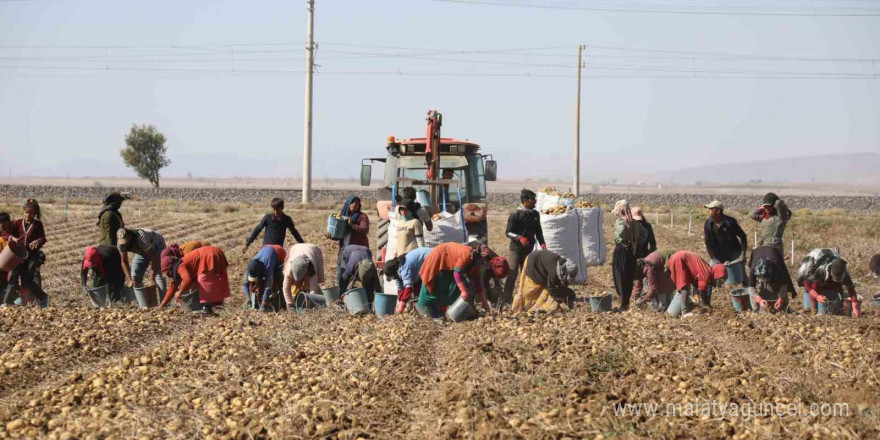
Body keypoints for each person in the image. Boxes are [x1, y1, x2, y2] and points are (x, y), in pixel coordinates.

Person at [418, 242, 492, 317]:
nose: (483, 263)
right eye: (484, 260)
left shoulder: (477, 262)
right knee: (437, 288)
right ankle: (428, 311)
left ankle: (442, 313)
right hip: (441, 257)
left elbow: (477, 281)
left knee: (451, 289)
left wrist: (484, 302)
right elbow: (457, 272)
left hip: (450, 265)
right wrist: (463, 291)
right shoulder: (467, 254)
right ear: (479, 255)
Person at [502, 189, 546, 307]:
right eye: (533, 199)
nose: (535, 201)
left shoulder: (535, 214)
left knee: (527, 274)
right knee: (513, 272)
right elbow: (508, 232)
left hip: (528, 249)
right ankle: (506, 299)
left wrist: (542, 243)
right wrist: (520, 238)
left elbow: (538, 231)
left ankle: (527, 298)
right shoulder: (515, 215)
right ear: (525, 201)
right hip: (516, 249)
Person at [2, 199, 49, 307]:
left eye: (31, 213)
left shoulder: (37, 224)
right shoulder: (17, 223)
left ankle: (43, 297)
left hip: (32, 256)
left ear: (35, 213)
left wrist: (38, 241)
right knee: (13, 277)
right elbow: (4, 233)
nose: (28, 215)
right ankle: (6, 302)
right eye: (26, 212)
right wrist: (11, 237)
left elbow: (43, 238)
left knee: (27, 279)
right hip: (18, 256)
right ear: (23, 212)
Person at [158, 245, 231, 314]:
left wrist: (180, 293)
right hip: (213, 252)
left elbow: (187, 280)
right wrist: (162, 305)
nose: (168, 275)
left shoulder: (180, 266)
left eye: (167, 273)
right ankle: (216, 303)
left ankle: (208, 306)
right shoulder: (178, 267)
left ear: (170, 268)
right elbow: (173, 287)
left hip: (211, 255)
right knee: (212, 279)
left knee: (203, 280)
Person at [797, 248, 860, 317]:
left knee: (836, 287)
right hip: (815, 259)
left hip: (830, 259)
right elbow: (807, 284)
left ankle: (839, 309)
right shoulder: (820, 270)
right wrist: (817, 296)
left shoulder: (845, 273)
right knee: (815, 285)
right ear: (830, 271)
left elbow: (851, 289)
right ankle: (813, 311)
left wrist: (855, 306)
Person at [510, 250, 578, 313]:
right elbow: (551, 289)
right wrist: (560, 301)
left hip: (539, 260)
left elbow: (562, 282)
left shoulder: (562, 264)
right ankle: (520, 308)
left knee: (550, 288)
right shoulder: (554, 272)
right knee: (530, 291)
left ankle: (537, 306)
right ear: (564, 270)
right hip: (533, 264)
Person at [611, 200, 648, 311]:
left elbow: (622, 232)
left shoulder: (621, 222)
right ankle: (626, 302)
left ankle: (624, 303)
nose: (616, 214)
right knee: (628, 276)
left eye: (617, 212)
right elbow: (644, 235)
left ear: (621, 211)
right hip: (632, 251)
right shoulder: (635, 223)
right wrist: (635, 241)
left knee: (620, 276)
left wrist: (623, 223)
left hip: (621, 250)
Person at [703, 200, 748, 288]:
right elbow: (707, 242)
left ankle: (750, 297)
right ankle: (706, 301)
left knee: (743, 278)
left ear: (718, 211)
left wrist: (743, 254)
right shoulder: (708, 223)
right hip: (718, 255)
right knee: (709, 277)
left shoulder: (730, 222)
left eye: (711, 209)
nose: (708, 211)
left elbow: (743, 236)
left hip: (734, 254)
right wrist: (713, 258)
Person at [116, 227, 167, 293]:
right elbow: (124, 262)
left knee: (158, 273)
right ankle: (144, 301)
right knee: (135, 277)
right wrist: (129, 280)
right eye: (122, 243)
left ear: (130, 236)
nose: (124, 244)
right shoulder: (120, 244)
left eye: (125, 241)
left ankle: (164, 301)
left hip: (157, 245)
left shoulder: (140, 238)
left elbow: (154, 256)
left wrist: (151, 278)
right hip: (142, 250)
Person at [748, 245, 797, 314]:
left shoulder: (778, 267)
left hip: (774, 253)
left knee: (778, 286)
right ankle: (756, 311)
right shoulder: (753, 269)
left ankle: (785, 309)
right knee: (759, 289)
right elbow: (751, 288)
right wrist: (759, 300)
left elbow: (784, 285)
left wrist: (781, 299)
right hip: (757, 252)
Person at [383, 247, 432, 314]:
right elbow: (400, 287)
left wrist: (402, 305)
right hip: (420, 268)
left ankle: (433, 311)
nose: (394, 278)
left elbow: (408, 287)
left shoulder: (404, 267)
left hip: (431, 257)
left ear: (394, 272)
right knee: (416, 288)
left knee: (428, 287)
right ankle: (420, 308)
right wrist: (401, 301)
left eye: (393, 277)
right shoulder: (397, 269)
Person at [243, 245, 287, 311]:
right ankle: (263, 298)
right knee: (262, 281)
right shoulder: (250, 268)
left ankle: (281, 302)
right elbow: (245, 284)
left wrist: (264, 304)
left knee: (278, 278)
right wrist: (248, 298)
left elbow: (268, 286)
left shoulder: (268, 267)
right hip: (266, 249)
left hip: (279, 252)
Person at [282, 243, 325, 309]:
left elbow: (313, 288)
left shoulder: (312, 268)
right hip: (296, 248)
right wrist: (290, 304)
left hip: (313, 250)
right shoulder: (288, 270)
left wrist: (310, 303)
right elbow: (286, 287)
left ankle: (323, 298)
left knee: (315, 282)